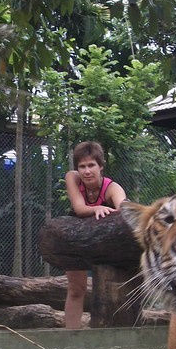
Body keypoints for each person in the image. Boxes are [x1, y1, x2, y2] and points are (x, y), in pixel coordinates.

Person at [63, 141, 127, 329]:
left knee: (111, 289)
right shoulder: (72, 177)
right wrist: (97, 208)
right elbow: (79, 208)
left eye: (91, 165)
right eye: (82, 166)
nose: (86, 171)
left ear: (101, 166)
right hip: (77, 236)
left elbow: (123, 208)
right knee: (76, 289)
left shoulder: (112, 188)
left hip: (105, 241)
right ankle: (71, 337)